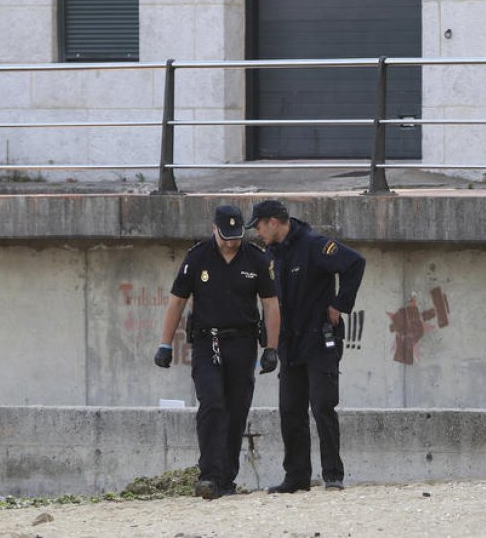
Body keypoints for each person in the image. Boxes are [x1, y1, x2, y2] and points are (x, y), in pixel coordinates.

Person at [154, 205, 281, 500]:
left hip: (242, 342)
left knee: (236, 410)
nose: (231, 242)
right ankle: (208, 475)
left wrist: (271, 348)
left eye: (236, 237)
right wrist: (164, 343)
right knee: (212, 401)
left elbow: (271, 304)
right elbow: (177, 301)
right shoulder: (198, 257)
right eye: (225, 236)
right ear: (214, 230)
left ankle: (226, 478)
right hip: (206, 342)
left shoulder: (257, 259)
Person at [246, 199, 366, 493]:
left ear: (274, 222)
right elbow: (269, 298)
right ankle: (297, 476)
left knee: (322, 405)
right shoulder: (271, 254)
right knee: (290, 410)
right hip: (290, 343)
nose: (258, 233)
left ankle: (333, 475)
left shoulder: (314, 244)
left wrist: (340, 304)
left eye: (259, 226)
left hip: (319, 340)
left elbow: (354, 263)